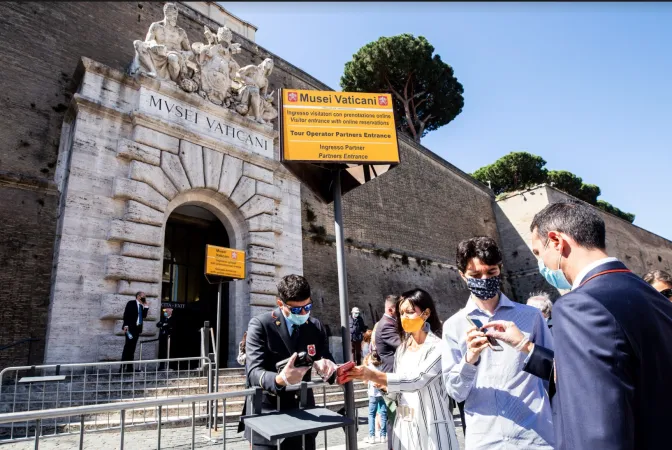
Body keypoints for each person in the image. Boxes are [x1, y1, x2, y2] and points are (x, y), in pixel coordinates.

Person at [484, 201, 672, 450]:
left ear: (556, 241)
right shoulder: (653, 297)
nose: (541, 265)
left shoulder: (580, 304)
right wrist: (524, 344)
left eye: (539, 253)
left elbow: (596, 425)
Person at [442, 236, 554, 450]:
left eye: (491, 272)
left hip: (535, 436)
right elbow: (455, 392)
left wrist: (524, 344)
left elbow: (554, 373)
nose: (484, 279)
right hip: (486, 439)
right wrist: (469, 360)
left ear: (500, 270)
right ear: (462, 276)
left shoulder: (531, 317)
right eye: (475, 275)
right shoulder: (453, 326)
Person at [341, 289, 460, 450]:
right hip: (405, 428)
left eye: (409, 312)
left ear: (425, 314)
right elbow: (397, 394)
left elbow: (416, 380)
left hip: (433, 428)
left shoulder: (438, 347)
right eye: (401, 313)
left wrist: (375, 375)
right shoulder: (401, 350)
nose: (404, 317)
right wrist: (383, 387)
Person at [243, 274, 338, 450]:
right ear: (281, 304)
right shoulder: (260, 325)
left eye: (307, 307)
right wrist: (281, 379)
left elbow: (326, 357)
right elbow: (253, 372)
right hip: (268, 416)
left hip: (305, 415)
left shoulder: (315, 326)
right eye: (296, 310)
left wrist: (325, 365)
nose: (303, 313)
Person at [373, 295, 400, 449]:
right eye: (400, 310)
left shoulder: (388, 323)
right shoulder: (387, 325)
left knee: (396, 419)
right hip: (391, 378)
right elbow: (402, 346)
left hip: (392, 377)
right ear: (391, 309)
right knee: (394, 419)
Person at [120, 292, 149, 373]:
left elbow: (144, 316)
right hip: (130, 329)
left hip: (137, 329)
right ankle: (122, 368)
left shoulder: (141, 306)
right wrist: (125, 325)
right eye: (143, 296)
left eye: (145, 297)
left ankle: (129, 368)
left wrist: (146, 307)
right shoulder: (131, 303)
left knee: (132, 349)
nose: (144, 298)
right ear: (138, 296)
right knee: (127, 348)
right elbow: (126, 314)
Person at [364, 350, 387, 444]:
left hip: (373, 393)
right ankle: (383, 436)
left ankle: (372, 436)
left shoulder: (369, 367)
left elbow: (365, 381)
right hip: (382, 392)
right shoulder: (382, 366)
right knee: (383, 414)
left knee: (371, 415)